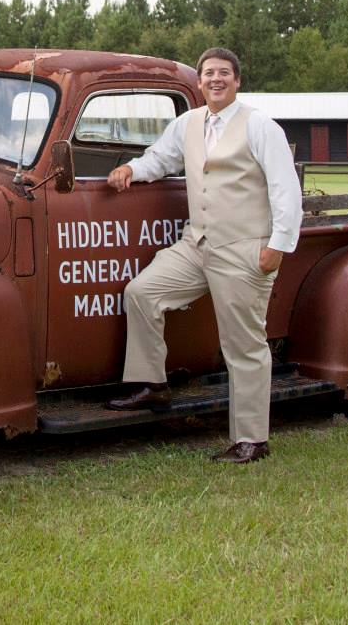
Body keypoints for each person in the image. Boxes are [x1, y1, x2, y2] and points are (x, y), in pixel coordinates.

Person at [103, 47, 302, 464]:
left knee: (243, 345)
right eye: (209, 73)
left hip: (244, 248)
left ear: (237, 81)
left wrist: (276, 247)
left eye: (224, 73)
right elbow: (160, 159)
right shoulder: (188, 124)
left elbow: (286, 188)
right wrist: (130, 170)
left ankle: (251, 439)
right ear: (198, 82)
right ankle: (151, 384)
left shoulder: (260, 126)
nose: (216, 79)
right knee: (142, 292)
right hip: (198, 243)